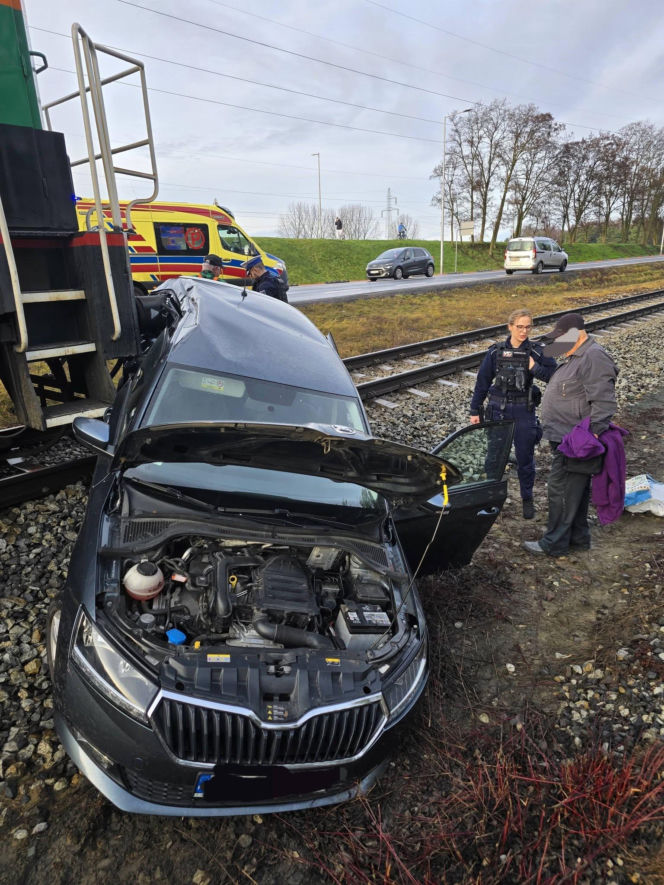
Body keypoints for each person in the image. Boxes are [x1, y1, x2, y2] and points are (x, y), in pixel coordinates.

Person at [522, 313, 619, 557]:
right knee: (575, 489)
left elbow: (604, 400)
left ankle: (554, 543)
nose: (558, 343)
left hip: (576, 441)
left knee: (561, 489)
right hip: (567, 437)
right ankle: (578, 537)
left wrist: (593, 435)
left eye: (561, 338)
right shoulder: (575, 356)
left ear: (577, 334)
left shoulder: (593, 357)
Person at [469, 308, 557, 519]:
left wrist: (535, 368)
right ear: (510, 327)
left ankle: (527, 499)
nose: (524, 331)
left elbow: (555, 376)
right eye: (519, 327)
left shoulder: (537, 351)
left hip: (524, 411)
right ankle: (490, 499)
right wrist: (475, 410)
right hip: (498, 410)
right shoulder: (495, 351)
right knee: (494, 456)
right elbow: (482, 382)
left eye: (528, 327)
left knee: (525, 457)